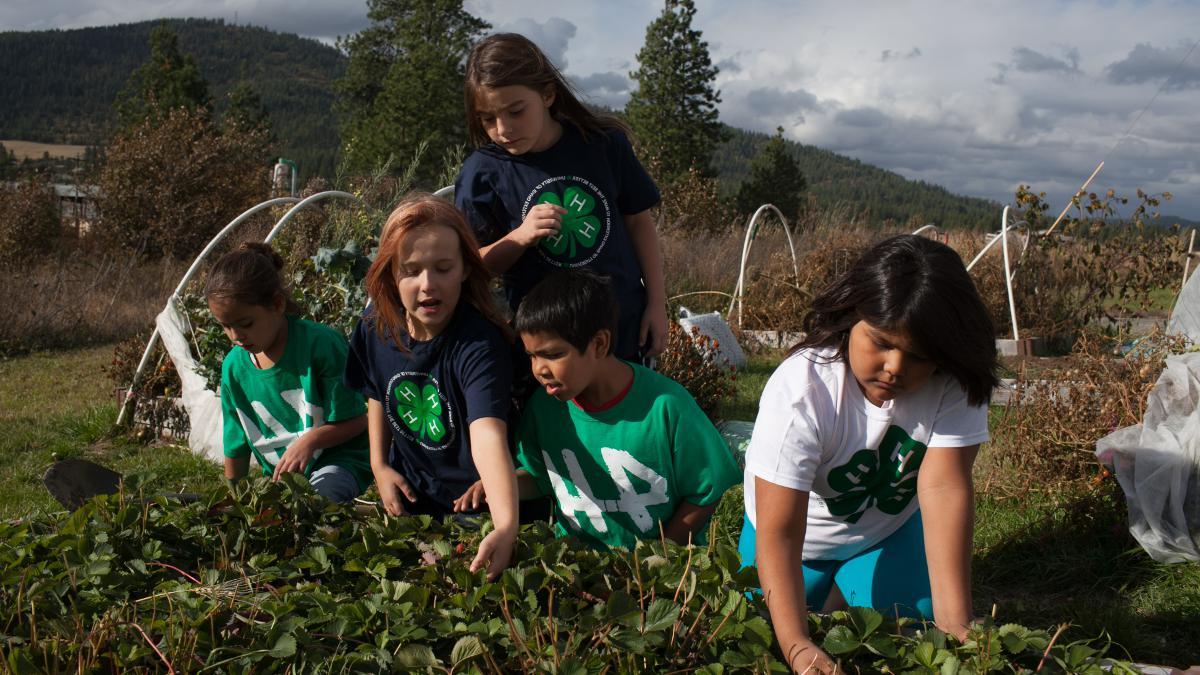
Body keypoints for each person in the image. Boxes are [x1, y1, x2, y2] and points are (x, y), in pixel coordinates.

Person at [738, 235, 999, 674]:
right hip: (798, 543)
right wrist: (797, 643)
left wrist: (956, 624)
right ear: (851, 315)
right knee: (759, 629)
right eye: (880, 342)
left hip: (884, 534)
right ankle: (825, 591)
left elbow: (943, 486)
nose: (895, 367)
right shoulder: (802, 390)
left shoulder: (954, 382)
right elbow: (780, 532)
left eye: (918, 356)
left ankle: (843, 589)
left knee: (914, 623)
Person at [454, 32, 667, 363]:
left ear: (548, 95)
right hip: (542, 349)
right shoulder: (482, 173)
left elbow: (639, 222)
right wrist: (520, 237)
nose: (503, 128)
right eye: (488, 118)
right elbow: (471, 265)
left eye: (516, 111)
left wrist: (656, 304)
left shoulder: (603, 144)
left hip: (620, 331)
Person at [343, 193, 520, 580]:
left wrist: (506, 525)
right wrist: (379, 465)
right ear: (390, 273)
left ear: (465, 270)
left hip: (475, 507)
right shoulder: (376, 327)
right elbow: (377, 391)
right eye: (411, 270)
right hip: (413, 500)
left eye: (443, 268)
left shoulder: (480, 344)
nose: (428, 285)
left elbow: (487, 432)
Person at [502, 269, 741, 550]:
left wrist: (663, 556)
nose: (540, 369)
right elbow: (539, 475)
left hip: (658, 584)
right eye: (532, 356)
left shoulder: (665, 406)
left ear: (599, 344)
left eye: (554, 354)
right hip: (577, 574)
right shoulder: (544, 408)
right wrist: (500, 486)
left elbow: (709, 490)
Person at [205, 242, 371, 503]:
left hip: (339, 463)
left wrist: (312, 440)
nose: (236, 336)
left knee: (316, 505)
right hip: (285, 481)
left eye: (246, 323)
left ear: (278, 304)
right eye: (225, 326)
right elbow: (235, 444)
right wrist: (234, 501)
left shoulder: (321, 346)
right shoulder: (233, 368)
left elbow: (358, 420)